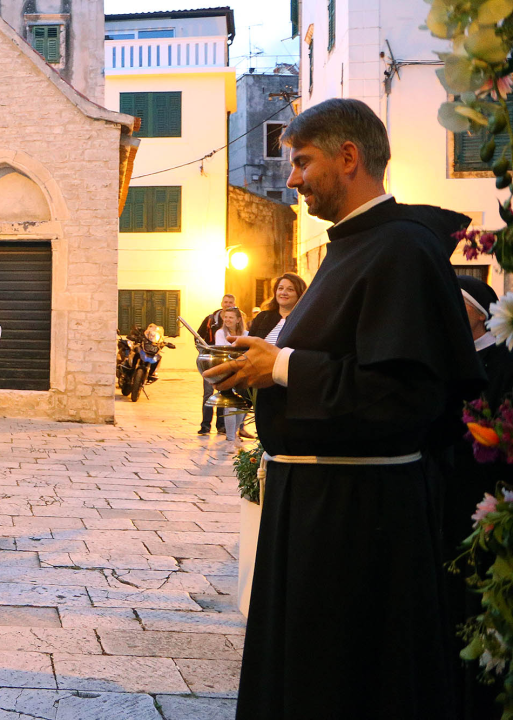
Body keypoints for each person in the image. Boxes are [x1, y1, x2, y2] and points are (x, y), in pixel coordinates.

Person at [205, 99, 484, 719]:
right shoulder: (354, 247)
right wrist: (264, 358)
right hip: (317, 501)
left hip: (357, 517)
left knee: (342, 682)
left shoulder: (403, 249)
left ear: (349, 157)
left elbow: (403, 394)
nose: (293, 179)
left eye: (302, 161)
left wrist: (278, 367)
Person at [444, 275, 513, 719]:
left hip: (481, 495)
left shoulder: (500, 362)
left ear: (475, 312)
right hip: (452, 494)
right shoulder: (456, 358)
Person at [197, 293, 235, 435]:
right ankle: (205, 425)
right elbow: (198, 338)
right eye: (225, 302)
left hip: (227, 363)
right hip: (211, 362)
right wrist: (204, 353)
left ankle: (221, 426)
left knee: (223, 392)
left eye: (230, 302)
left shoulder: (236, 321)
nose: (228, 304)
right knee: (208, 393)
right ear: (221, 303)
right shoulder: (210, 320)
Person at [213, 307, 253, 443]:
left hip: (243, 372)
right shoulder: (220, 333)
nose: (227, 320)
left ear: (238, 320)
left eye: (231, 317)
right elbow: (223, 351)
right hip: (227, 371)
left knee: (243, 403)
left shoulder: (247, 334)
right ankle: (230, 437)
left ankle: (235, 433)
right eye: (225, 317)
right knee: (230, 403)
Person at [249, 273, 307, 343]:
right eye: (280, 288)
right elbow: (248, 345)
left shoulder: (304, 321)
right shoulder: (262, 317)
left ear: (299, 294)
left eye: (290, 289)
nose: (283, 292)